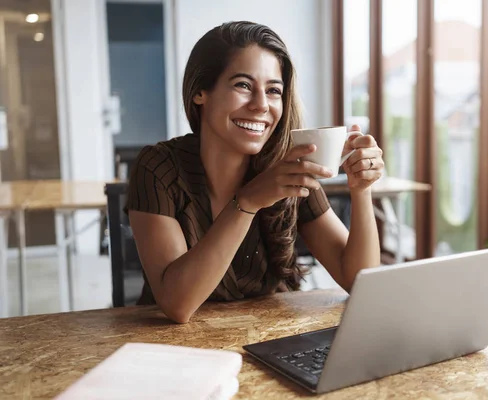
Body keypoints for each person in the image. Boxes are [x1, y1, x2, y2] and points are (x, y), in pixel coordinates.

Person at [126, 21, 384, 324]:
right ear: (200, 92)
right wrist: (246, 202)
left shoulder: (286, 164)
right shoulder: (158, 168)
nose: (261, 105)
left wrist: (361, 189)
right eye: (243, 85)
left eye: (273, 90)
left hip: (268, 343)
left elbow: (359, 280)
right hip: (176, 354)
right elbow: (178, 305)